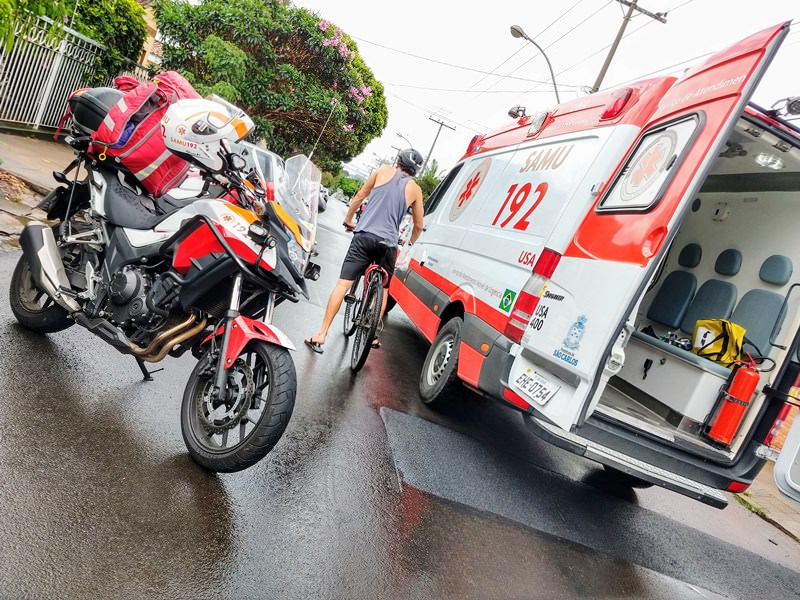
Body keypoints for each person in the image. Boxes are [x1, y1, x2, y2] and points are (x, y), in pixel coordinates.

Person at [304, 149, 425, 353]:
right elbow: (419, 225)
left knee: (343, 284)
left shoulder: (382, 171)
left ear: (398, 161)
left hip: (364, 236)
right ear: (415, 170)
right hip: (388, 244)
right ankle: (373, 334)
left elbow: (360, 195)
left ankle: (322, 334)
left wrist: (348, 219)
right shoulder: (415, 189)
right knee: (384, 288)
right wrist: (408, 245)